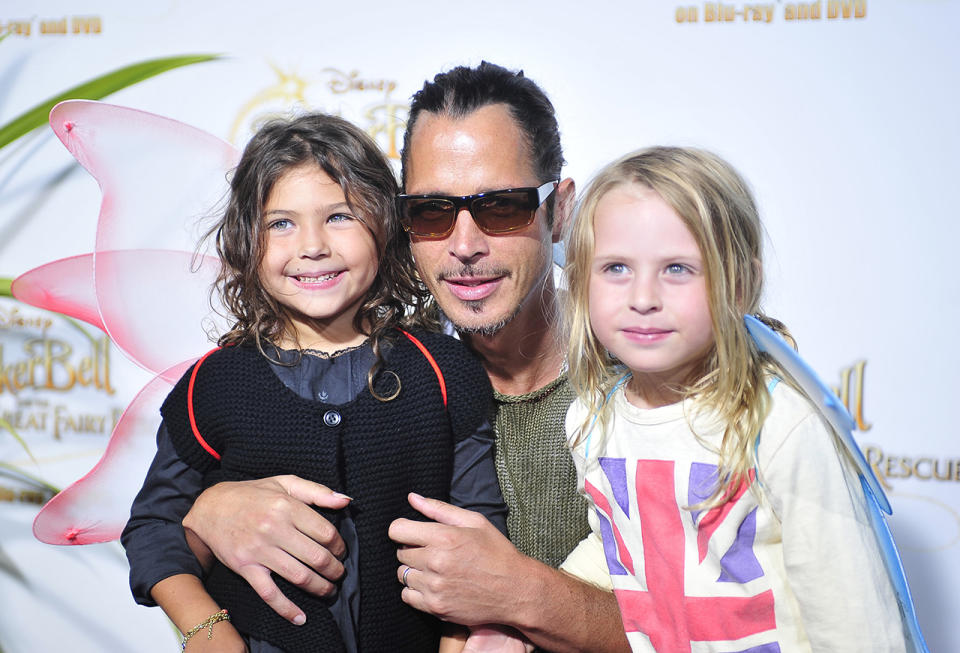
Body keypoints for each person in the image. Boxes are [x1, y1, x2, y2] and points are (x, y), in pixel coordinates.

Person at [179, 63, 630, 652]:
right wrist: (210, 515)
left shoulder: (663, 378)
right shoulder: (379, 372)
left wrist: (520, 595)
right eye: (432, 212)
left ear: (561, 209)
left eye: (502, 207)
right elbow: (166, 529)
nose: (465, 246)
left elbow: (728, 620)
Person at [120, 112, 507, 653]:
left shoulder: (444, 371)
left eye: (340, 217)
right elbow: (154, 526)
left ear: (385, 225)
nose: (312, 246)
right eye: (281, 223)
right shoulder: (213, 382)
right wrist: (206, 631)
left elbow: (476, 529)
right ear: (245, 242)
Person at [560, 146, 907, 651]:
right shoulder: (592, 419)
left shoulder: (781, 423)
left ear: (740, 283)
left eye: (677, 268)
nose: (643, 297)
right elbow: (623, 553)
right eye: (616, 268)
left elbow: (854, 617)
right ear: (580, 282)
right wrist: (518, 618)